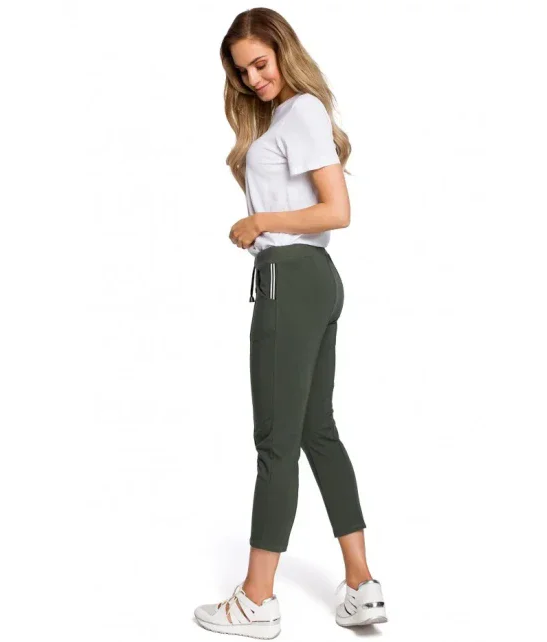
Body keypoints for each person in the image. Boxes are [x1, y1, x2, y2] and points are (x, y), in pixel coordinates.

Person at [193, 8, 387, 638]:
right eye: (242, 71)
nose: (254, 79)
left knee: (275, 441)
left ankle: (256, 599)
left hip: (291, 279)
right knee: (316, 432)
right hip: (316, 280)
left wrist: (260, 223)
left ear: (283, 52)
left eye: (261, 63)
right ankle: (360, 585)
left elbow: (338, 210)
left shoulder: (300, 111)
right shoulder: (287, 116)